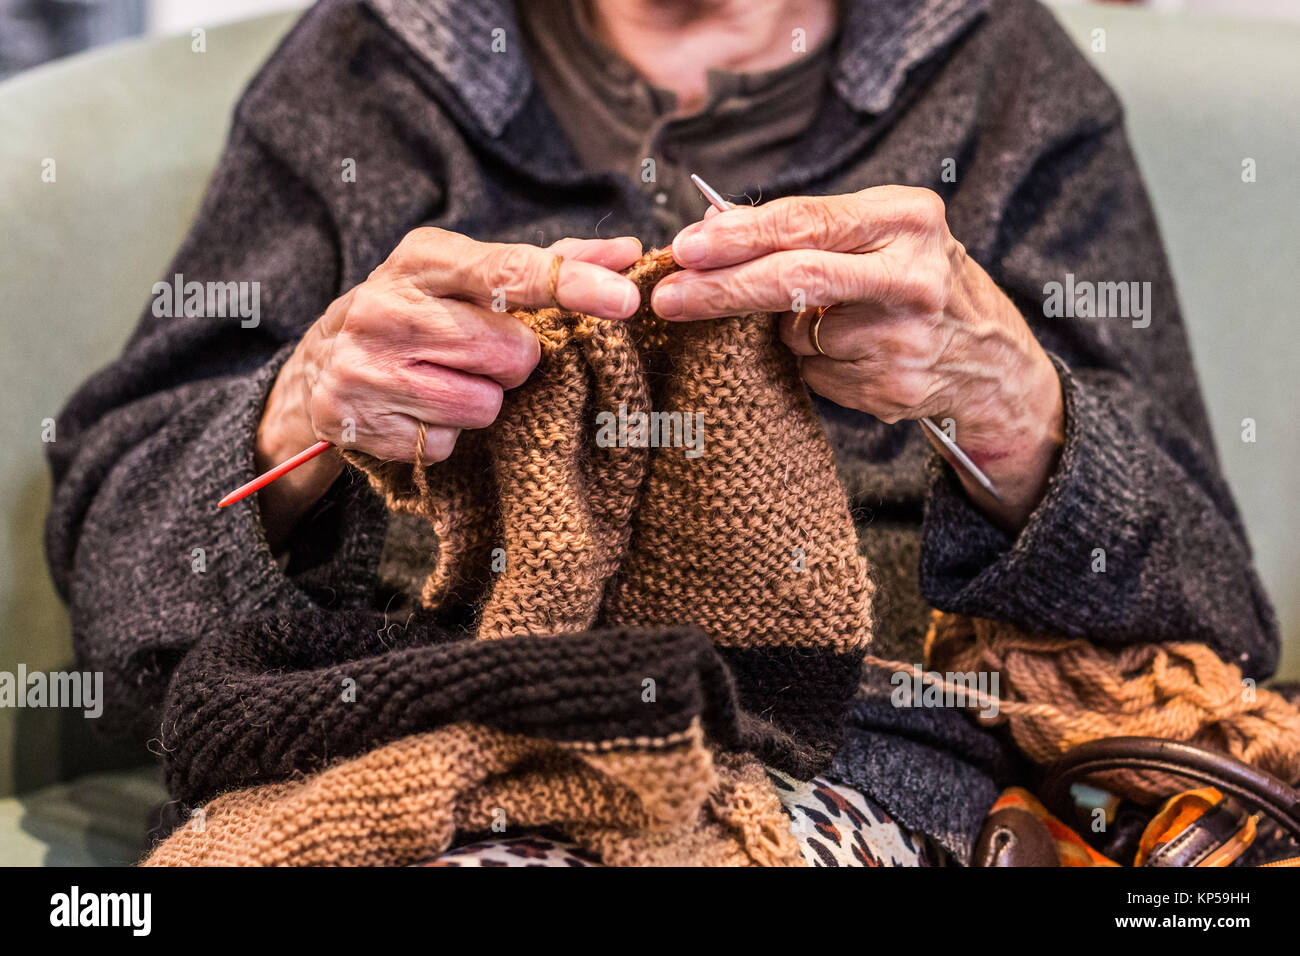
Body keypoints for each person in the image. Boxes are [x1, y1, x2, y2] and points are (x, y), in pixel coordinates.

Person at [45, 0, 1278, 864]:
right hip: (400, 738)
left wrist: (1011, 401)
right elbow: (123, 568)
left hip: (851, 765)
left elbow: (1207, 599)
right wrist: (305, 410)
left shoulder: (1008, 81)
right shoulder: (365, 70)